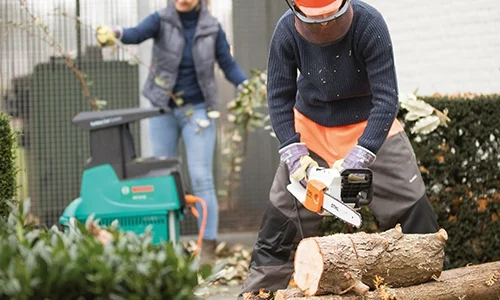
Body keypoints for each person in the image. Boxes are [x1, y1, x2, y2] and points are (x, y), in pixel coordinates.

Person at [239, 0, 439, 298]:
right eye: (315, 22)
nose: (323, 27)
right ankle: (258, 293)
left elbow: (387, 99)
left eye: (330, 20)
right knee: (280, 223)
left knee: (414, 213)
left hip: (371, 126)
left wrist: (363, 153)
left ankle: (433, 287)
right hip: (311, 128)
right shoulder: (285, 31)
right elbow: (279, 97)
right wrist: (292, 150)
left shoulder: (369, 23)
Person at [96, 0, 248, 266]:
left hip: (198, 111)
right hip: (162, 108)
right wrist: (116, 32)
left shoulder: (212, 27)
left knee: (202, 178)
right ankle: (164, 244)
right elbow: (135, 34)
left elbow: (228, 65)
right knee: (162, 177)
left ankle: (207, 248)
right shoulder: (160, 19)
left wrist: (247, 84)